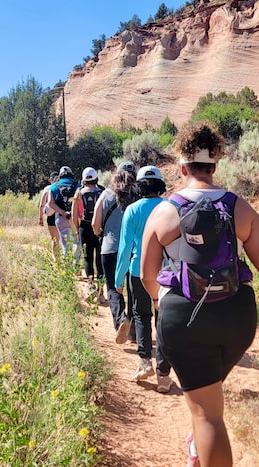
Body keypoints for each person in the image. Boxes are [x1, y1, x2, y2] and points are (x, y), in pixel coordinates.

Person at [140, 122, 259, 466]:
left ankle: (201, 444)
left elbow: (147, 275)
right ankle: (198, 444)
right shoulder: (240, 208)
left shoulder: (163, 211)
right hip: (237, 318)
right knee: (207, 398)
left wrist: (159, 303)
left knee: (209, 414)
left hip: (184, 318)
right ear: (215, 166)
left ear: (182, 167)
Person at [115, 165, 173, 392]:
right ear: (160, 184)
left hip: (138, 271)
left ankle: (144, 361)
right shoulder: (171, 207)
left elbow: (125, 247)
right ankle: (164, 375)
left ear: (139, 186)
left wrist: (118, 280)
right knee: (164, 319)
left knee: (140, 314)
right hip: (167, 273)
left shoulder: (132, 210)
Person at [92, 161, 139, 342]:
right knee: (133, 289)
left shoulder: (106, 194)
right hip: (133, 250)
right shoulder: (138, 196)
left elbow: (96, 223)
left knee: (113, 287)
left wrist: (100, 234)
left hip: (110, 248)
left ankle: (120, 319)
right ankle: (136, 330)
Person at [72, 167, 105, 297]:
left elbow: (74, 216)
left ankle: (90, 286)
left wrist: (76, 231)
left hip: (84, 228)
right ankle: (101, 291)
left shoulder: (78, 193)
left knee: (87, 259)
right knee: (100, 260)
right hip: (100, 228)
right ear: (96, 178)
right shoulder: (102, 192)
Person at [47, 166, 81, 257]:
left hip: (61, 219)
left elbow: (50, 203)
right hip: (76, 219)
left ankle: (67, 267)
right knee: (77, 243)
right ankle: (77, 266)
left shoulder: (54, 187)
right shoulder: (78, 186)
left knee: (65, 245)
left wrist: (62, 212)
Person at [38, 171, 60, 256]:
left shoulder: (47, 189)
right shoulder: (61, 187)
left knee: (54, 239)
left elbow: (41, 205)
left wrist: (40, 218)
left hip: (51, 215)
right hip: (61, 214)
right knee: (65, 239)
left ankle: (56, 260)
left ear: (50, 179)